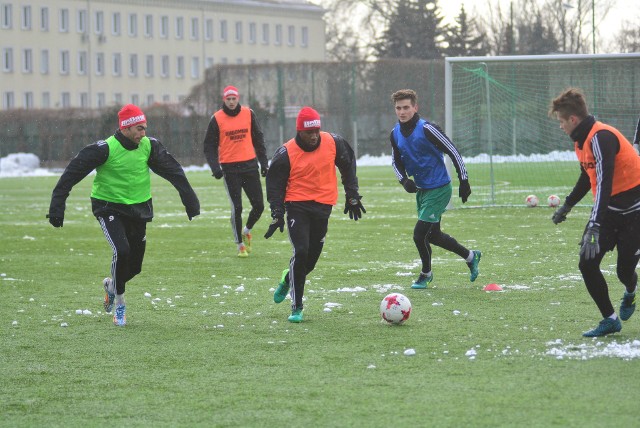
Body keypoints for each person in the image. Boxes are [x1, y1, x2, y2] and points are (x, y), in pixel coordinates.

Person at [47, 104, 200, 327]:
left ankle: (111, 286)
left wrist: (190, 201)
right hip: (108, 207)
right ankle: (120, 303)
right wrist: (57, 207)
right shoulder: (104, 149)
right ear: (126, 128)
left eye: (145, 128)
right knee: (122, 250)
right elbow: (71, 174)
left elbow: (174, 172)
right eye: (139, 128)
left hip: (138, 209)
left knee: (135, 267)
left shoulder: (149, 146)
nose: (143, 133)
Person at [549, 87, 640, 337]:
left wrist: (594, 225)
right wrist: (567, 205)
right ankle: (610, 319)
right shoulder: (581, 141)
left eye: (561, 121)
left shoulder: (601, 137)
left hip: (635, 214)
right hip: (609, 213)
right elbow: (587, 177)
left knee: (624, 272)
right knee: (587, 263)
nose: (560, 127)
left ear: (573, 119)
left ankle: (631, 291)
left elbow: (605, 185)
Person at [264, 106, 365, 323]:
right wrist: (277, 212)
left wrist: (352, 195)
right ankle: (296, 307)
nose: (314, 136)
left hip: (323, 207)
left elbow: (348, 164)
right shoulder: (286, 153)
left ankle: (287, 279)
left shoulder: (333, 142)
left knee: (310, 262)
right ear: (299, 131)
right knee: (301, 251)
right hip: (297, 206)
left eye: (316, 130)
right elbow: (274, 184)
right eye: (309, 132)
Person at [389, 89, 481, 289]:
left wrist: (464, 180)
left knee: (419, 234)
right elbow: (396, 162)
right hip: (422, 190)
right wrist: (404, 181)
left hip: (439, 188)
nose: (402, 112)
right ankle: (471, 256)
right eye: (398, 108)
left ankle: (426, 273)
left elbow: (453, 151)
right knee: (433, 236)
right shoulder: (395, 133)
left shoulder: (428, 129)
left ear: (415, 107)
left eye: (406, 107)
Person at [203, 85, 269, 257]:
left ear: (238, 98)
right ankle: (239, 244)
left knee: (259, 206)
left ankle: (246, 230)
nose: (231, 102)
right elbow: (209, 146)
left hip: (250, 166)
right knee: (237, 207)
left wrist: (264, 163)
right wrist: (215, 167)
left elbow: (258, 139)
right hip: (230, 169)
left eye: (234, 98)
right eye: (228, 99)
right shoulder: (217, 118)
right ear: (224, 100)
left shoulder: (249, 114)